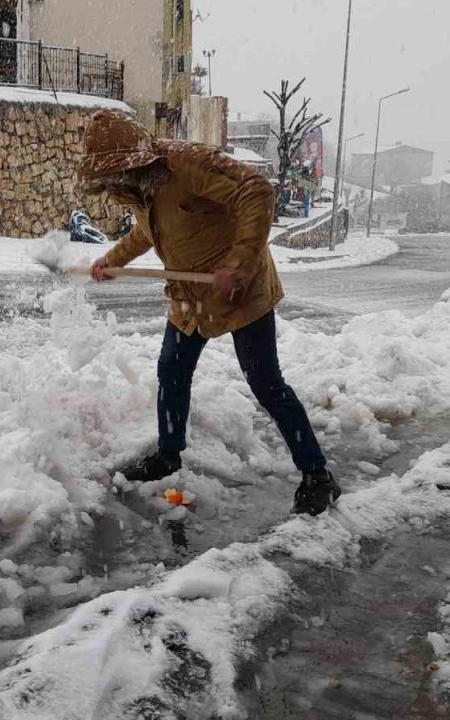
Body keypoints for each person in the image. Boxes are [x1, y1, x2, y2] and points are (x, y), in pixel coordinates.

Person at [80, 111, 341, 516]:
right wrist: (112, 260)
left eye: (116, 171)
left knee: (266, 383)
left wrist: (238, 264)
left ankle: (318, 475)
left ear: (135, 158)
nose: (112, 181)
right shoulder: (142, 188)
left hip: (241, 289)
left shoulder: (189, 163)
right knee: (171, 369)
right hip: (190, 296)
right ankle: (168, 456)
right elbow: (146, 232)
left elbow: (256, 191)